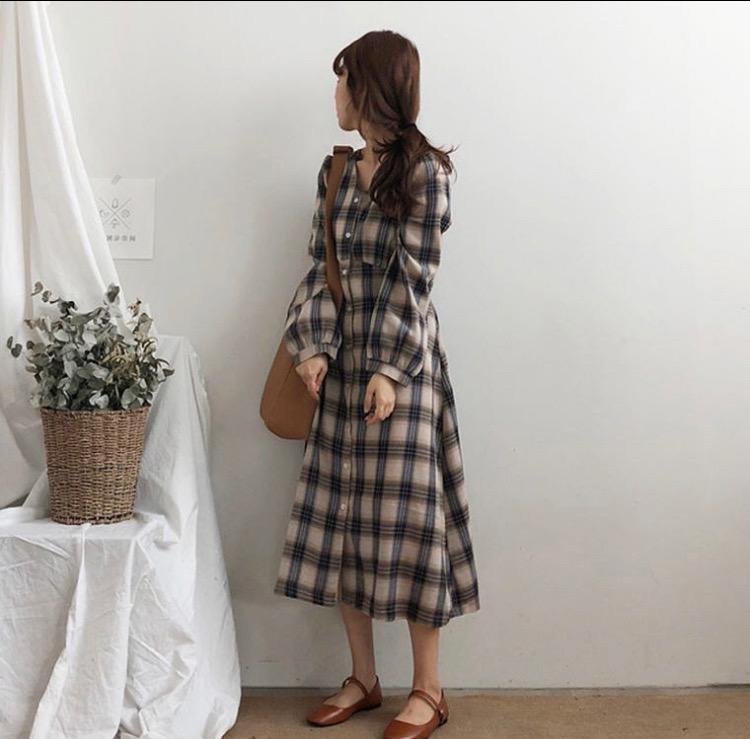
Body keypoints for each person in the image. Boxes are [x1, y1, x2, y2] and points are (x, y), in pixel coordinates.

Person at [273, 29, 480, 739]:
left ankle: (430, 689)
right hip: (340, 367)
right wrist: (313, 347)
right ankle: (363, 678)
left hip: (405, 369)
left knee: (413, 527)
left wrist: (389, 370)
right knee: (342, 520)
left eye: (342, 81)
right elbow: (319, 267)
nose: (334, 94)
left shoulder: (426, 173)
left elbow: (415, 280)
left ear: (368, 89)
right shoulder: (335, 171)